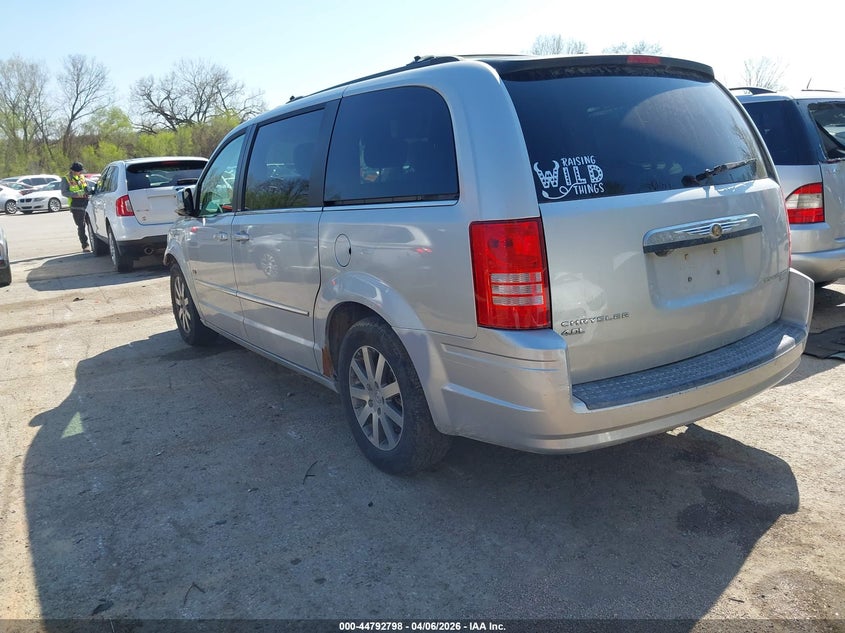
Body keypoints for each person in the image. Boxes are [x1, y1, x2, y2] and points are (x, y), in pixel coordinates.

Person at [61, 162, 90, 252]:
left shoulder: (81, 177)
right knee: (81, 226)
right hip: (76, 205)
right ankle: (85, 245)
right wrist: (76, 195)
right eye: (79, 171)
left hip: (86, 202)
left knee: (90, 224)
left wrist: (88, 192)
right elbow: (64, 192)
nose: (80, 173)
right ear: (73, 171)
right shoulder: (66, 179)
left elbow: (86, 188)